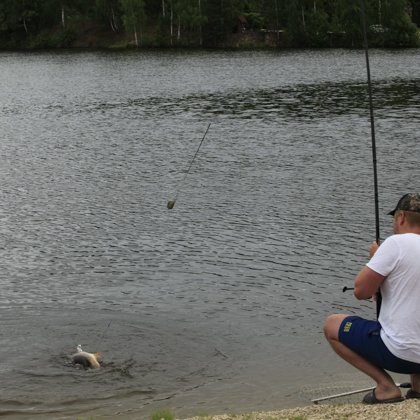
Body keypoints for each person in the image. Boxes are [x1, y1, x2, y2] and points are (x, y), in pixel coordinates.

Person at [324, 193, 420, 404]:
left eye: (394, 219)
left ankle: (386, 387)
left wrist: (377, 258)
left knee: (332, 325)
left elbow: (361, 292)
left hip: (400, 355)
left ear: (401, 217)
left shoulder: (395, 244)